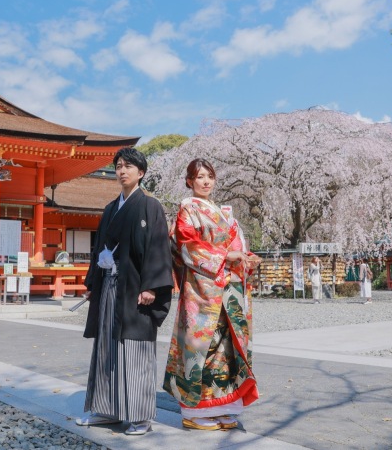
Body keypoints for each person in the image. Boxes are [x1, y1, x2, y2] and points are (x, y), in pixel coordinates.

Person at [77, 148, 174, 436]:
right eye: (118, 166)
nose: (122, 171)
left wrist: (152, 287)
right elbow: (98, 249)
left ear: (141, 173)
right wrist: (94, 282)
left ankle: (140, 415)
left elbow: (158, 248)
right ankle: (107, 410)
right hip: (109, 285)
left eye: (128, 166)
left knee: (134, 347)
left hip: (136, 289)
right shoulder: (110, 208)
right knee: (107, 345)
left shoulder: (149, 206)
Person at [163, 158, 261, 432]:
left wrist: (246, 257)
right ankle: (195, 411)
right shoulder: (188, 208)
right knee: (200, 349)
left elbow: (237, 243)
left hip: (227, 288)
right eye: (199, 177)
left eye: (209, 176)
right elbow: (186, 246)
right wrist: (225, 255)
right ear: (189, 181)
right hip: (201, 290)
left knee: (225, 349)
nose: (205, 181)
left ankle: (223, 407)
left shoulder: (225, 212)